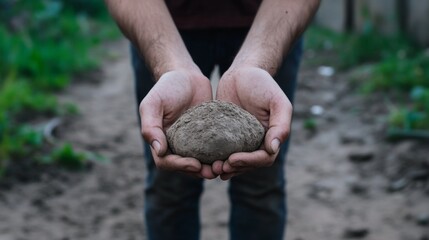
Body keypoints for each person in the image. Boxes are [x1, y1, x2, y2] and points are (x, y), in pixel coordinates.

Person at [104, 0, 320, 239]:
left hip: (274, 18)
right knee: (169, 185)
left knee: (261, 185)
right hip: (161, 21)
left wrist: (256, 63)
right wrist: (171, 66)